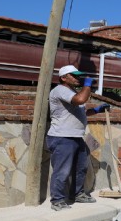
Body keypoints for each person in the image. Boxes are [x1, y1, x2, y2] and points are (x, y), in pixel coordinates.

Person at [47, 65, 110, 211]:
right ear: (63, 78)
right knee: (62, 170)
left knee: (81, 168)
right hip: (62, 137)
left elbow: (80, 112)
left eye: (78, 75)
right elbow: (80, 100)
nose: (78, 78)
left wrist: (96, 110)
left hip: (75, 137)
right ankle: (57, 200)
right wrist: (87, 85)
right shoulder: (60, 90)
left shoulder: (72, 92)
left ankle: (78, 194)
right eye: (73, 75)